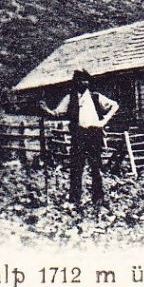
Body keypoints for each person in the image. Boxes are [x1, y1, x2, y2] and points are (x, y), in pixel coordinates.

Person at [41, 70, 119, 206]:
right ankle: (74, 199)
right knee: (77, 168)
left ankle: (98, 198)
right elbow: (57, 113)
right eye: (80, 80)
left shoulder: (95, 97)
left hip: (94, 134)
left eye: (86, 80)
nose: (84, 83)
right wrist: (45, 109)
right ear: (75, 83)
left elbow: (114, 105)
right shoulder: (69, 98)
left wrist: (104, 121)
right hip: (79, 136)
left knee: (95, 167)